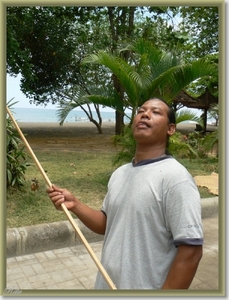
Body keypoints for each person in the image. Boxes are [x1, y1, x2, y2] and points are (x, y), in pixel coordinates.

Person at [47, 98, 203, 290]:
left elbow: (191, 252)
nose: (145, 114)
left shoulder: (176, 179)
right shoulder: (120, 173)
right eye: (141, 110)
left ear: (171, 129)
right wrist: (75, 205)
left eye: (155, 112)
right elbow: (106, 224)